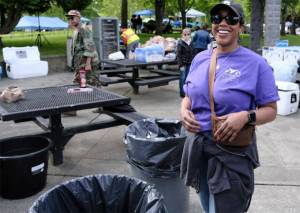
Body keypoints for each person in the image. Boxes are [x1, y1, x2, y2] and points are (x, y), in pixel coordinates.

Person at [180, 2, 279, 213]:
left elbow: (270, 110)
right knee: (207, 205)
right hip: (199, 150)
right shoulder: (200, 58)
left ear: (241, 27)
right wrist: (183, 109)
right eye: (217, 18)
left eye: (231, 19)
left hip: (230, 153)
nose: (223, 23)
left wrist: (245, 117)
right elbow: (189, 95)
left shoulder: (256, 64)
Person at [65, 10, 101, 116]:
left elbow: (89, 46)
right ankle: (72, 110)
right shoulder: (77, 29)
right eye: (69, 18)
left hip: (87, 62)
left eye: (72, 18)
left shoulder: (84, 29)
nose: (70, 20)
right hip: (81, 62)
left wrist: (88, 63)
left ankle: (104, 105)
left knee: (91, 83)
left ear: (78, 18)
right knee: (84, 83)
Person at [176, 28, 194, 98]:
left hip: (189, 63)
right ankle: (182, 92)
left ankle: (187, 91)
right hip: (183, 64)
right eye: (185, 34)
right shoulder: (180, 43)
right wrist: (180, 65)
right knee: (182, 78)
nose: (186, 36)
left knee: (188, 78)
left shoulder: (191, 42)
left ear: (190, 35)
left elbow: (193, 52)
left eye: (188, 34)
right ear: (182, 35)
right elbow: (178, 55)